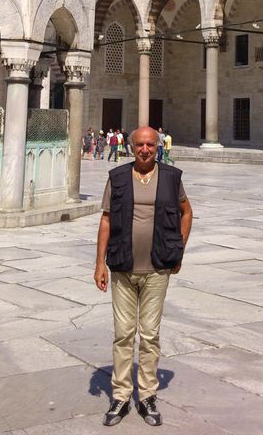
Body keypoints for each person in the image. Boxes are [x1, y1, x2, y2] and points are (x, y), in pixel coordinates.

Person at [95, 126, 193, 427]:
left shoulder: (172, 177)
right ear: (131, 146)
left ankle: (148, 394)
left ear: (158, 146)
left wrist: (178, 248)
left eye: (150, 144)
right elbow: (106, 219)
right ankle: (121, 395)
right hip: (123, 267)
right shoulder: (118, 177)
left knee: (150, 335)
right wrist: (99, 262)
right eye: (140, 144)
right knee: (123, 333)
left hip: (157, 268)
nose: (145, 149)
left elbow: (186, 212)